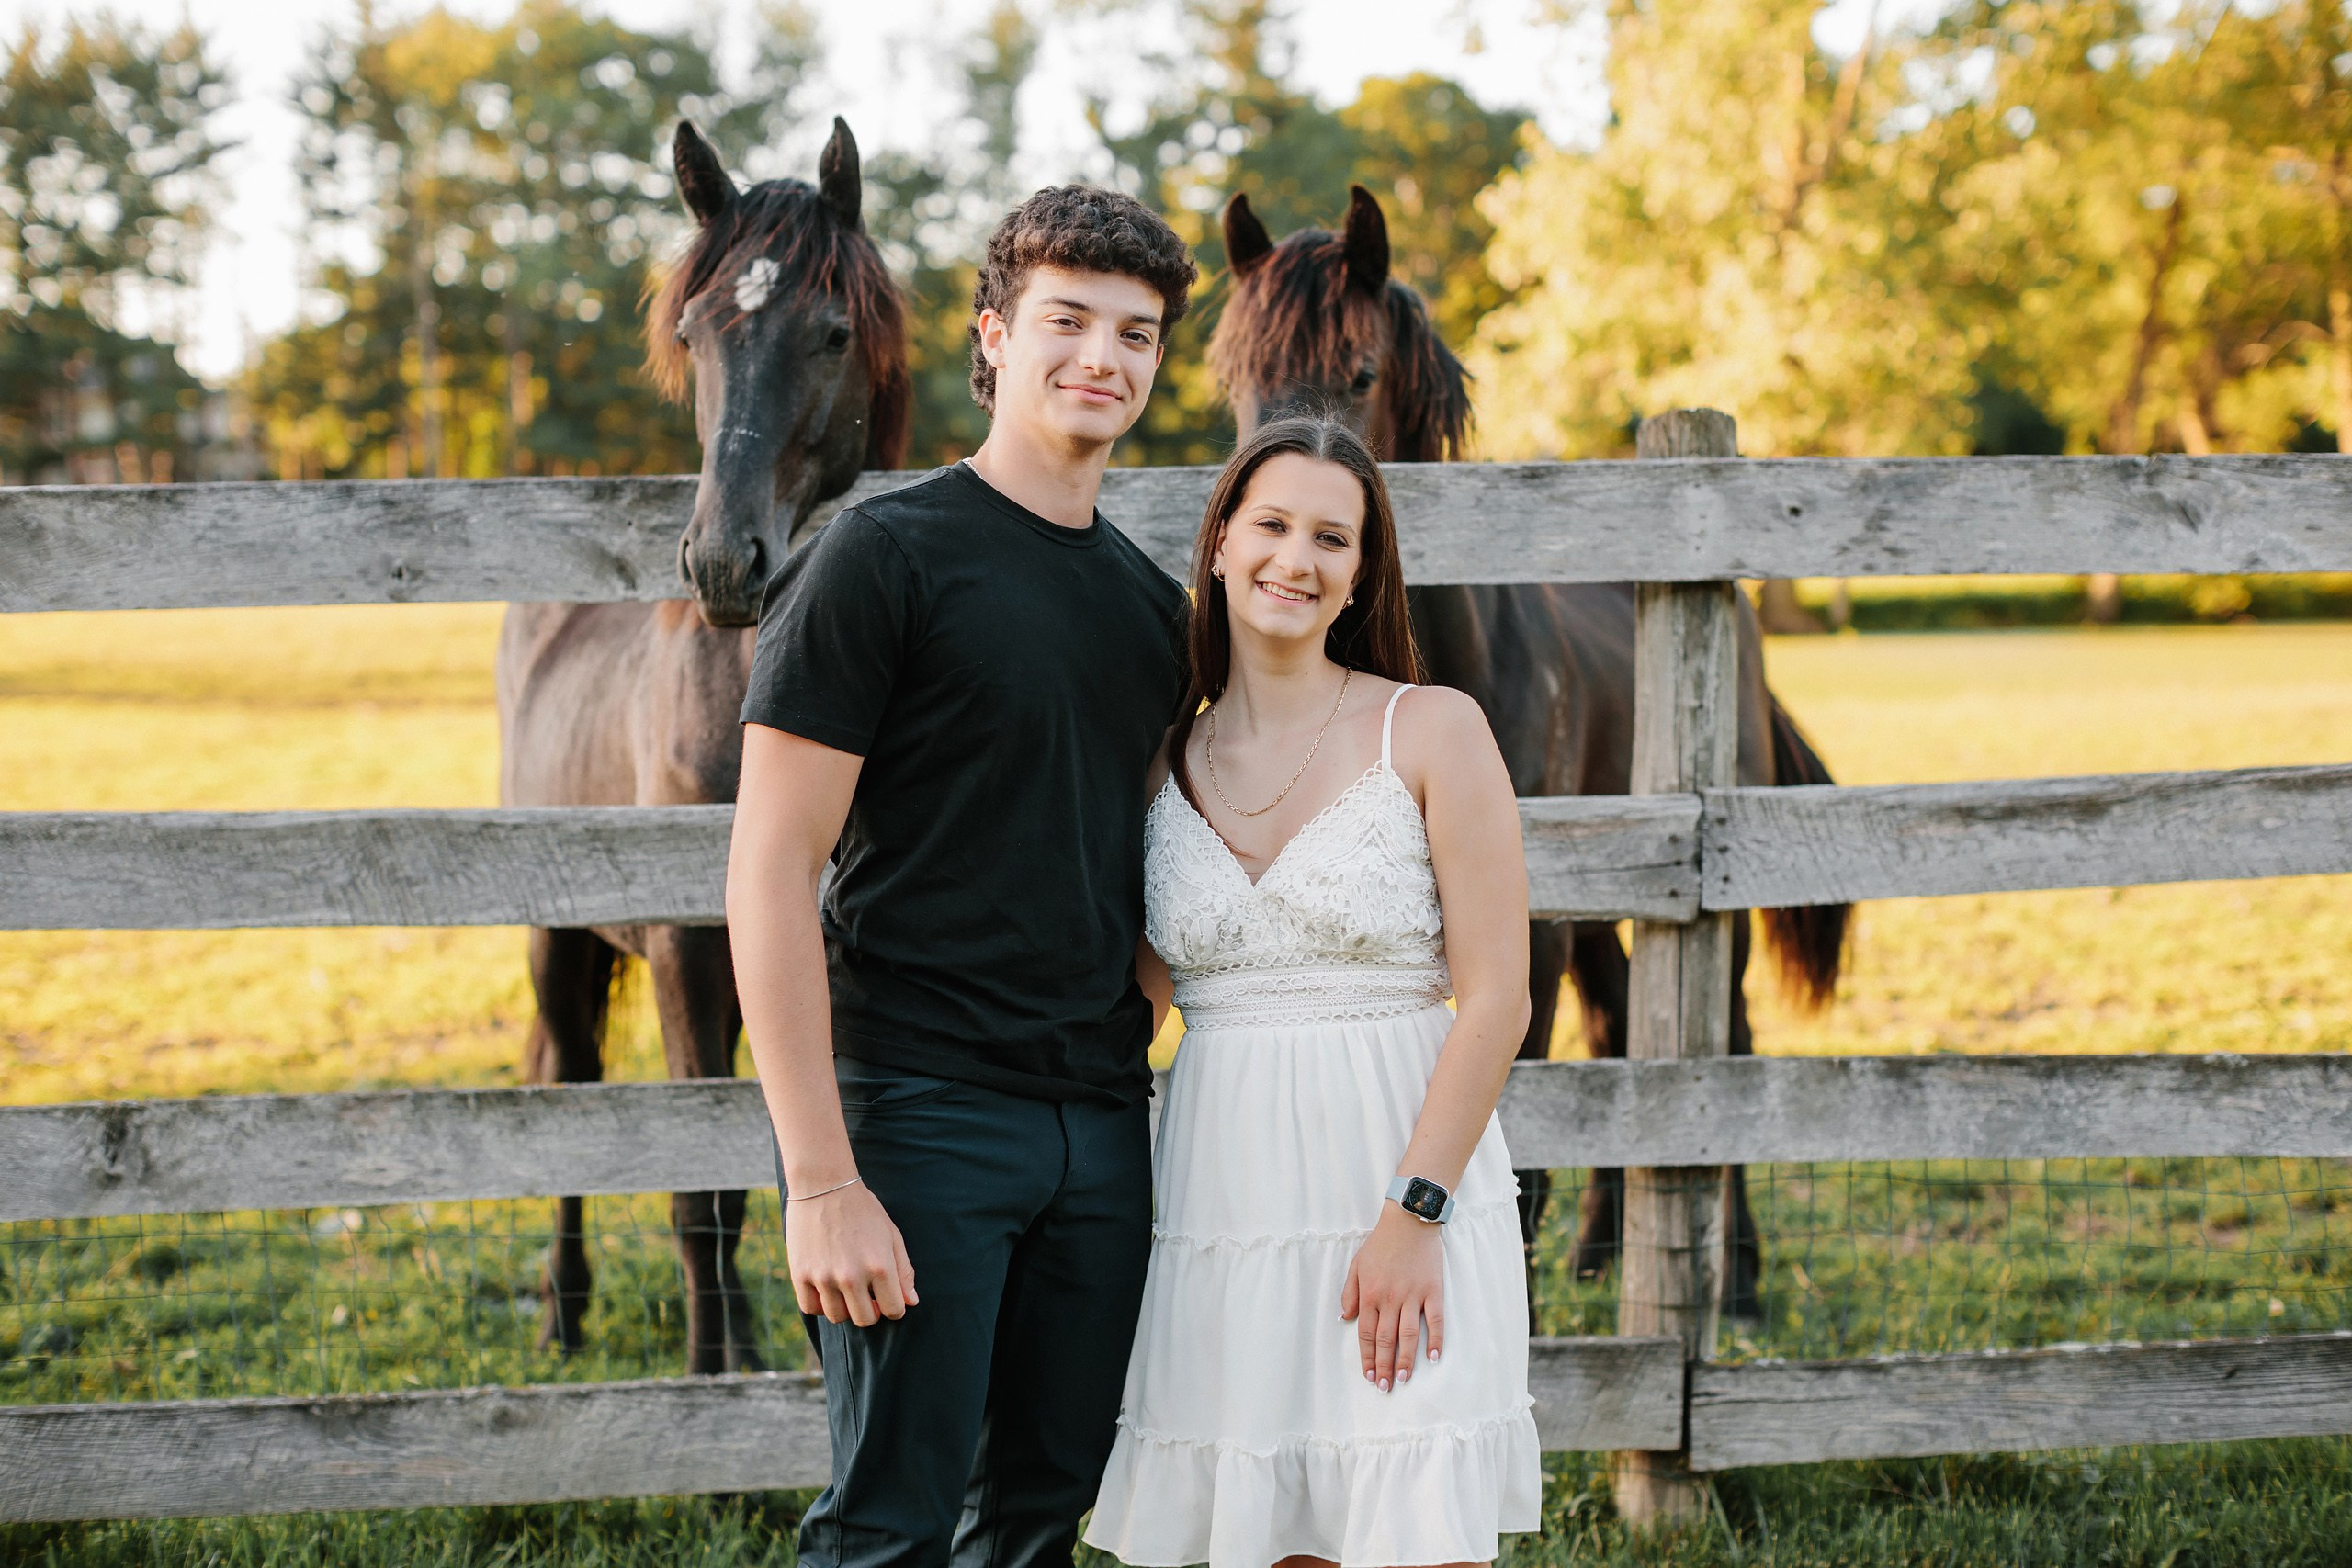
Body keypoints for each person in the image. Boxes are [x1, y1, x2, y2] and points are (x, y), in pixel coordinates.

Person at [723, 186, 1196, 1567]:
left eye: (1137, 332)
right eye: (1066, 320)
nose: (1102, 356)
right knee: (890, 1524)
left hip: (1101, 1124)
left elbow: (1159, 855)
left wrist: (1131, 1018)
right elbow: (769, 868)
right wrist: (821, 1177)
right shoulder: (880, 557)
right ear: (995, 337)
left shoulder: (1149, 607)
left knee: (1042, 1516)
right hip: (916, 1116)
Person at [1085, 415, 1541, 1568]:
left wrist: (1411, 1216)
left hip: (1399, 1177)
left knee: (1416, 1529)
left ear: (1359, 575)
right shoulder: (1160, 763)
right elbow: (1134, 1003)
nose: (1298, 558)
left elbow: (1497, 999)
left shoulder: (1431, 729)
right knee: (1270, 1531)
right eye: (1273, 525)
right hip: (1220, 1199)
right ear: (1221, 545)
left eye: (1331, 538)